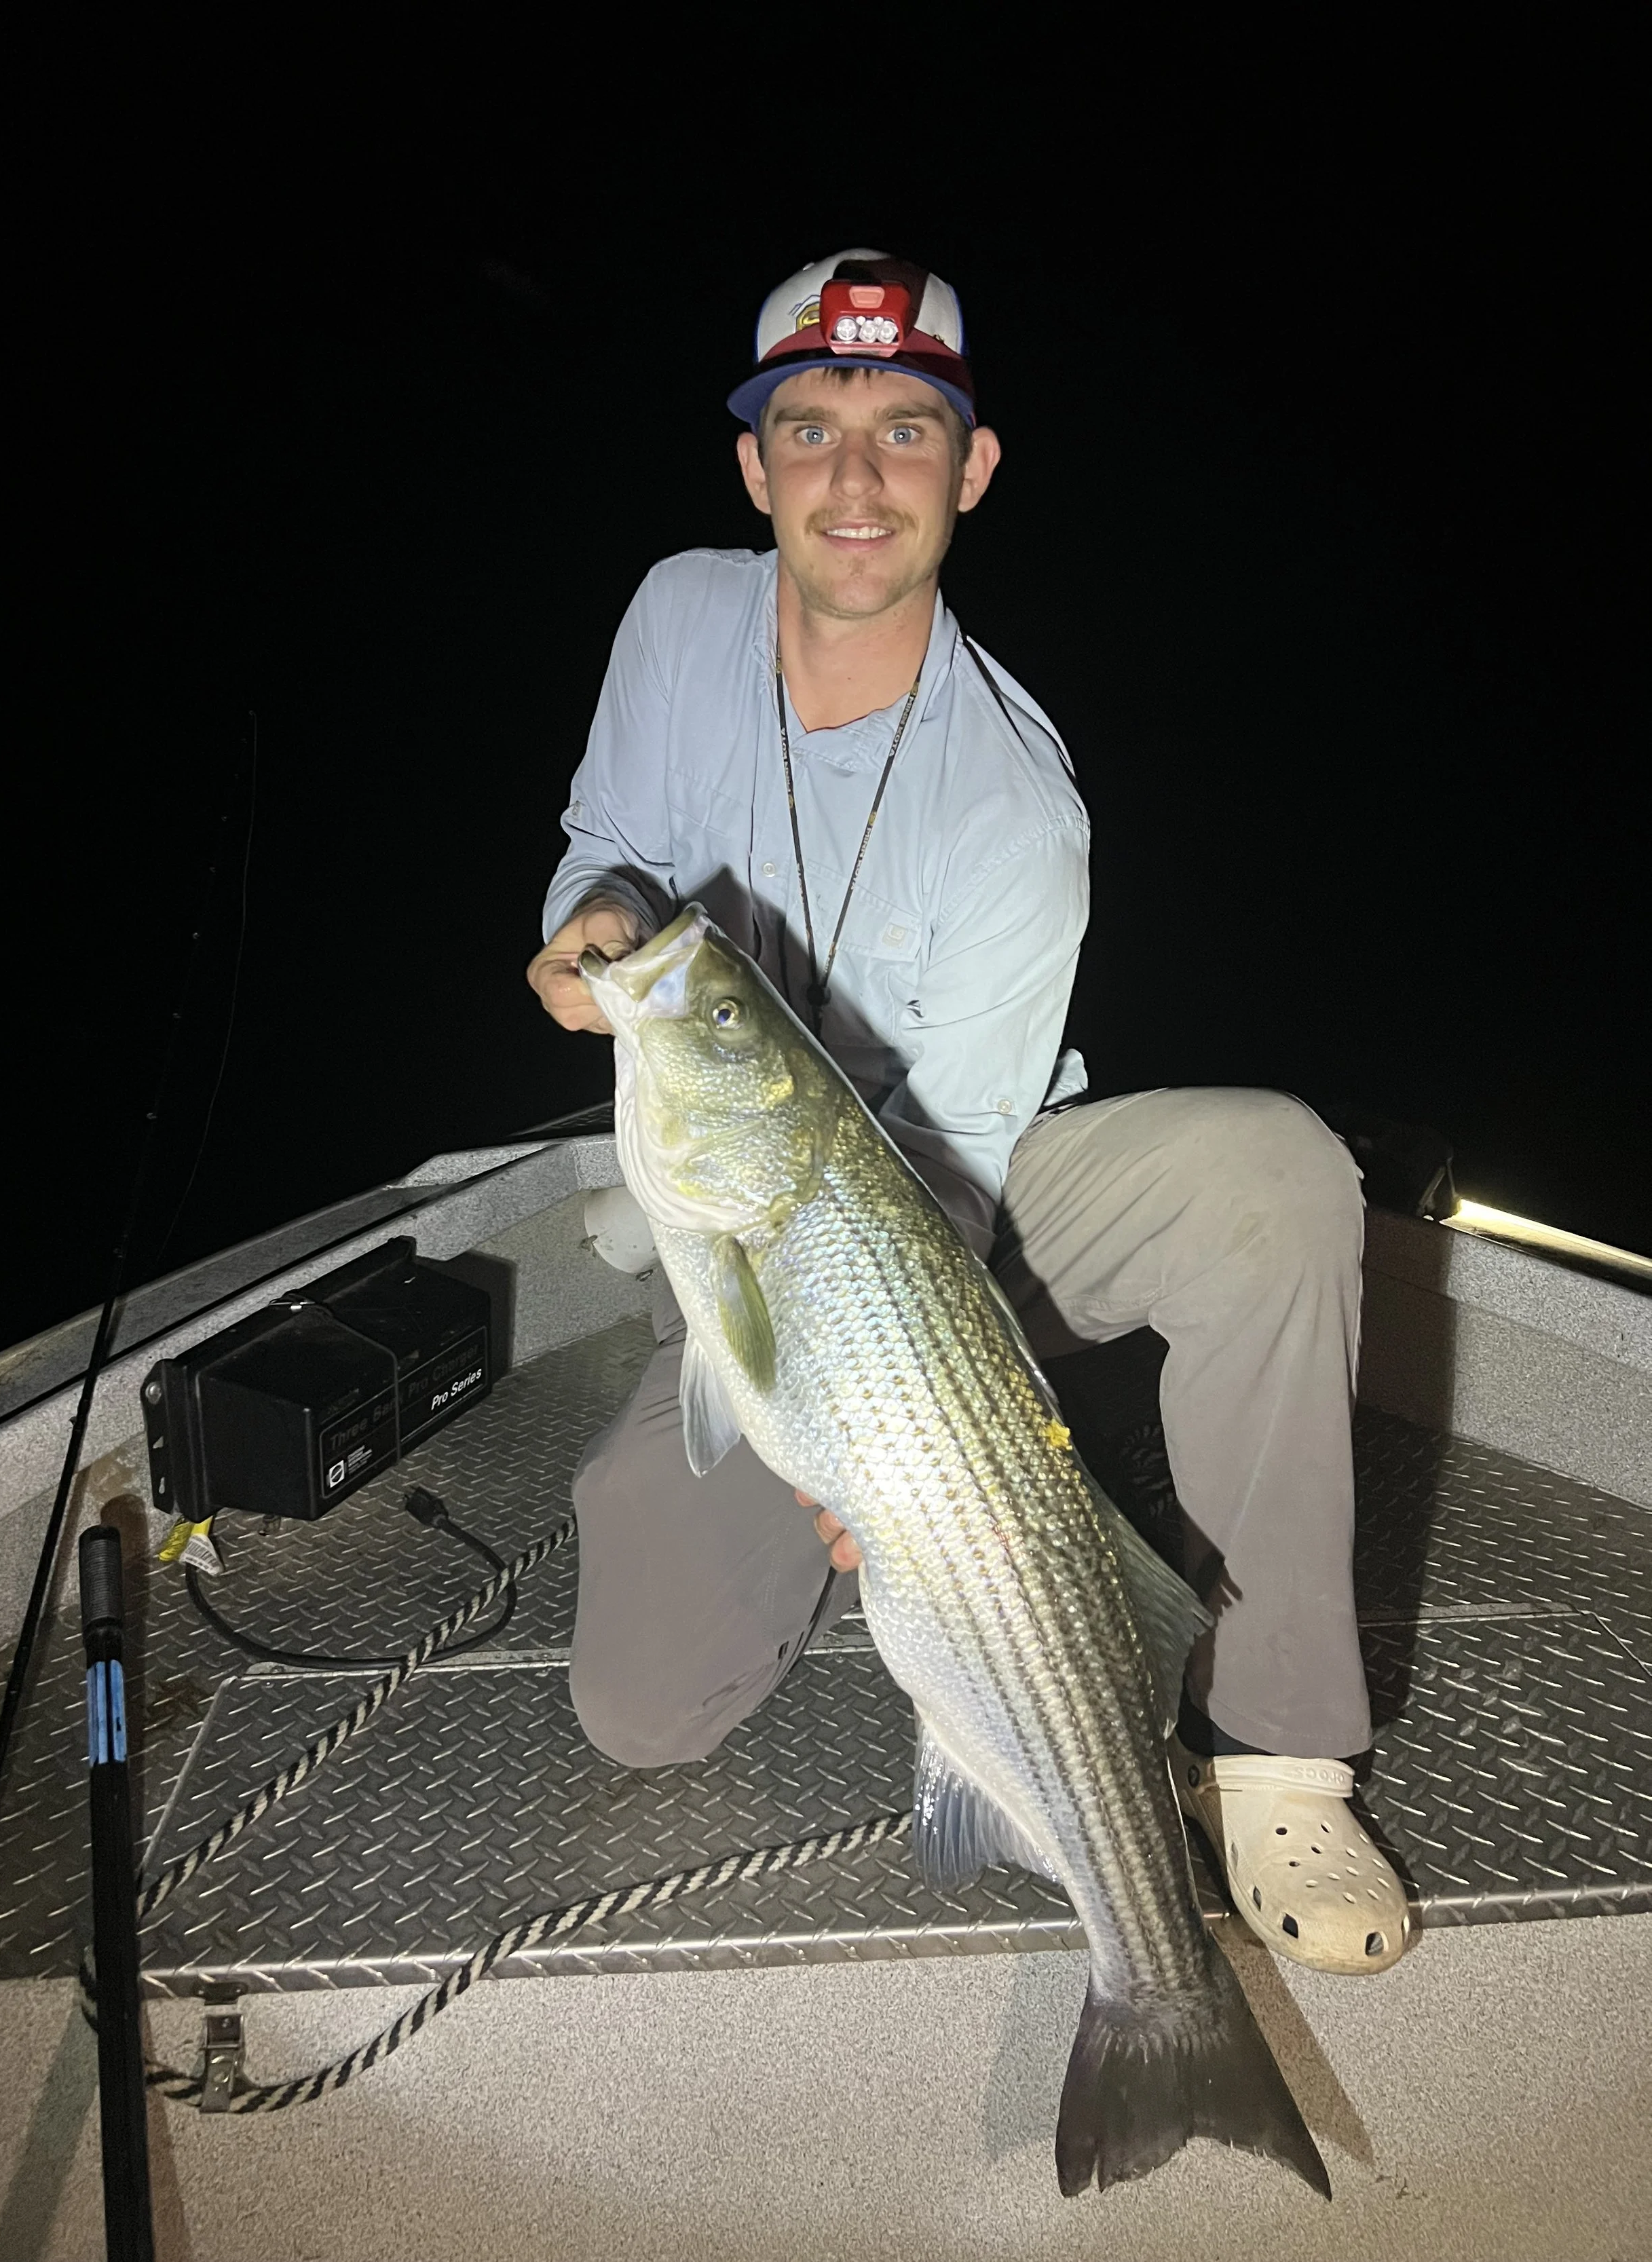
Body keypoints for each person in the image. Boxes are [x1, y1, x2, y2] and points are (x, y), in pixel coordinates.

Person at [528, 249, 1410, 1977]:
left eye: (904, 433)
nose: (853, 480)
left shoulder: (1012, 803)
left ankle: (1278, 1748)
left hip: (975, 1194)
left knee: (1273, 1177)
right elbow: (602, 838)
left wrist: (895, 1455)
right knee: (638, 1707)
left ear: (971, 469)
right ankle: (999, 1609)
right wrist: (598, 928)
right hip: (765, 1211)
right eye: (810, 427)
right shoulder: (673, 617)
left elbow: (954, 1183)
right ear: (753, 466)